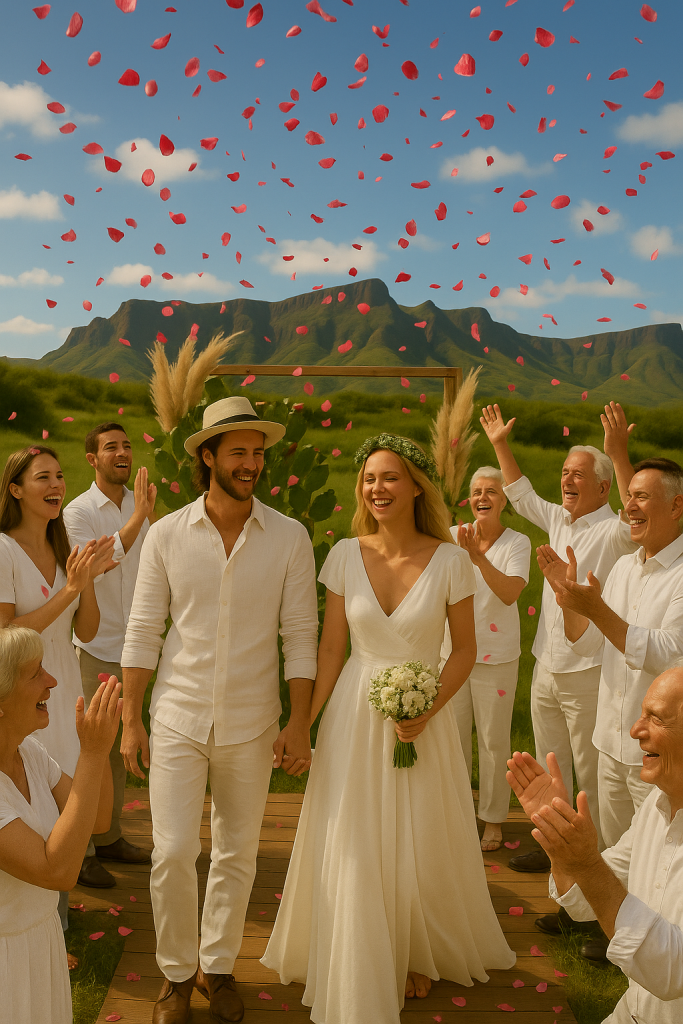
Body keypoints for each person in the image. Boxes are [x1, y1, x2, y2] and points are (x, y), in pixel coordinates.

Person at [262, 433, 516, 1024]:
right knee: (357, 832)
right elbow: (332, 649)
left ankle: (412, 950)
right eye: (370, 479)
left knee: (420, 831)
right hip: (355, 713)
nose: (377, 488)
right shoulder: (344, 554)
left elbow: (464, 650)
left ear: (416, 486)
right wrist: (302, 722)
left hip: (425, 716)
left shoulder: (450, 560)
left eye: (390, 477)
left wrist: (428, 709)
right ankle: (360, 948)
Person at [120, 396, 320, 1024]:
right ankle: (177, 976)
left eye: (258, 453)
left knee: (237, 853)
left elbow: (301, 635)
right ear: (208, 457)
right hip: (176, 716)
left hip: (254, 721)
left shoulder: (289, 537)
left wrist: (298, 721)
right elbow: (143, 629)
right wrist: (130, 718)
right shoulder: (166, 535)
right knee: (173, 851)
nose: (251, 463)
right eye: (238, 452)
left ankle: (219, 966)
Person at [480, 403, 637, 873]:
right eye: (565, 472)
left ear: (603, 487)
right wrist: (500, 444)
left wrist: (619, 453)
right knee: (553, 768)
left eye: (579, 474)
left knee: (589, 770)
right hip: (546, 667)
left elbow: (636, 514)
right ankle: (557, 852)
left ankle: (596, 862)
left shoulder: (612, 532)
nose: (567, 479)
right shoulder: (558, 519)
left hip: (588, 670)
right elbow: (521, 493)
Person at [507, 665, 683, 1024]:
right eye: (641, 714)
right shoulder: (657, 803)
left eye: (656, 718)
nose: (635, 730)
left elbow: (671, 972)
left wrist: (586, 864)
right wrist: (559, 840)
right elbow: (586, 902)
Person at [0, 444, 114, 940]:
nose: (56, 486)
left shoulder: (66, 551)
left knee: (69, 802)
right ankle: (27, 916)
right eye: (42, 477)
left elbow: (86, 631)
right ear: (15, 490)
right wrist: (70, 589)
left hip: (62, 692)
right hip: (19, 696)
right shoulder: (3, 550)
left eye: (59, 476)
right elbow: (5, 634)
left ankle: (54, 919)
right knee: (28, 801)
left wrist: (86, 581)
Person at [538, 458, 683, 848]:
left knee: (658, 858)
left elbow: (670, 655)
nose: (629, 507)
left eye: (641, 497)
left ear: (676, 506)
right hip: (609, 743)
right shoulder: (622, 567)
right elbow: (588, 643)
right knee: (614, 852)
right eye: (628, 497)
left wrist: (598, 610)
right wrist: (568, 599)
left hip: (659, 755)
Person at [0, 624, 121, 1024]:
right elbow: (59, 871)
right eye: (35, 674)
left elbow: (98, 819)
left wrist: (100, 744)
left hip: (42, 937)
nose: (51, 681)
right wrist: (93, 753)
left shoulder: (29, 753)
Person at [64, 421, 156, 889]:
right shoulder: (78, 512)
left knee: (121, 750)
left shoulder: (141, 510)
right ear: (92, 459)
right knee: (90, 751)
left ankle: (109, 837)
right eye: (111, 447)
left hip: (136, 648)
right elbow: (97, 564)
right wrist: (139, 517)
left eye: (127, 445)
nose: (122, 452)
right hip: (96, 646)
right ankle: (79, 853)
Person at [444, 467, 531, 852]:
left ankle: (493, 819)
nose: (483, 497)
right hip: (451, 655)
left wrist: (478, 559)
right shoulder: (451, 536)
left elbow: (510, 593)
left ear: (504, 499)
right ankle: (459, 814)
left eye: (492, 491)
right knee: (453, 739)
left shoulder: (517, 543)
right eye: (477, 491)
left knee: (494, 742)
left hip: (496, 658)